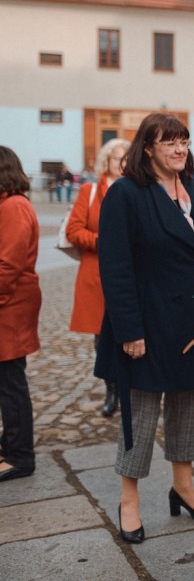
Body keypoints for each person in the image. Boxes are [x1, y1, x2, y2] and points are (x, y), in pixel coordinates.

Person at [96, 113, 194, 545]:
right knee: (142, 413)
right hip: (146, 322)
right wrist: (129, 331)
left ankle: (183, 485)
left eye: (183, 141)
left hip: (192, 324)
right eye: (169, 142)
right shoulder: (126, 194)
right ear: (147, 147)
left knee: (189, 407)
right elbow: (115, 269)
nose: (179, 149)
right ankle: (128, 499)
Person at [66, 138, 131, 417]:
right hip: (97, 276)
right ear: (107, 161)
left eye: (127, 158)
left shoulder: (136, 190)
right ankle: (111, 390)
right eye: (118, 158)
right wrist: (104, 241)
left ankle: (130, 388)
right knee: (102, 338)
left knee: (130, 332)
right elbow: (74, 230)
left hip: (129, 273)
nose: (123, 163)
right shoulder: (90, 191)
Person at [0, 146, 42, 483]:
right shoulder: (10, 204)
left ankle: (19, 455)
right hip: (9, 303)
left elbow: (8, 265)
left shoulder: (14, 206)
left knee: (11, 382)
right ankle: (11, 447)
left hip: (10, 306)